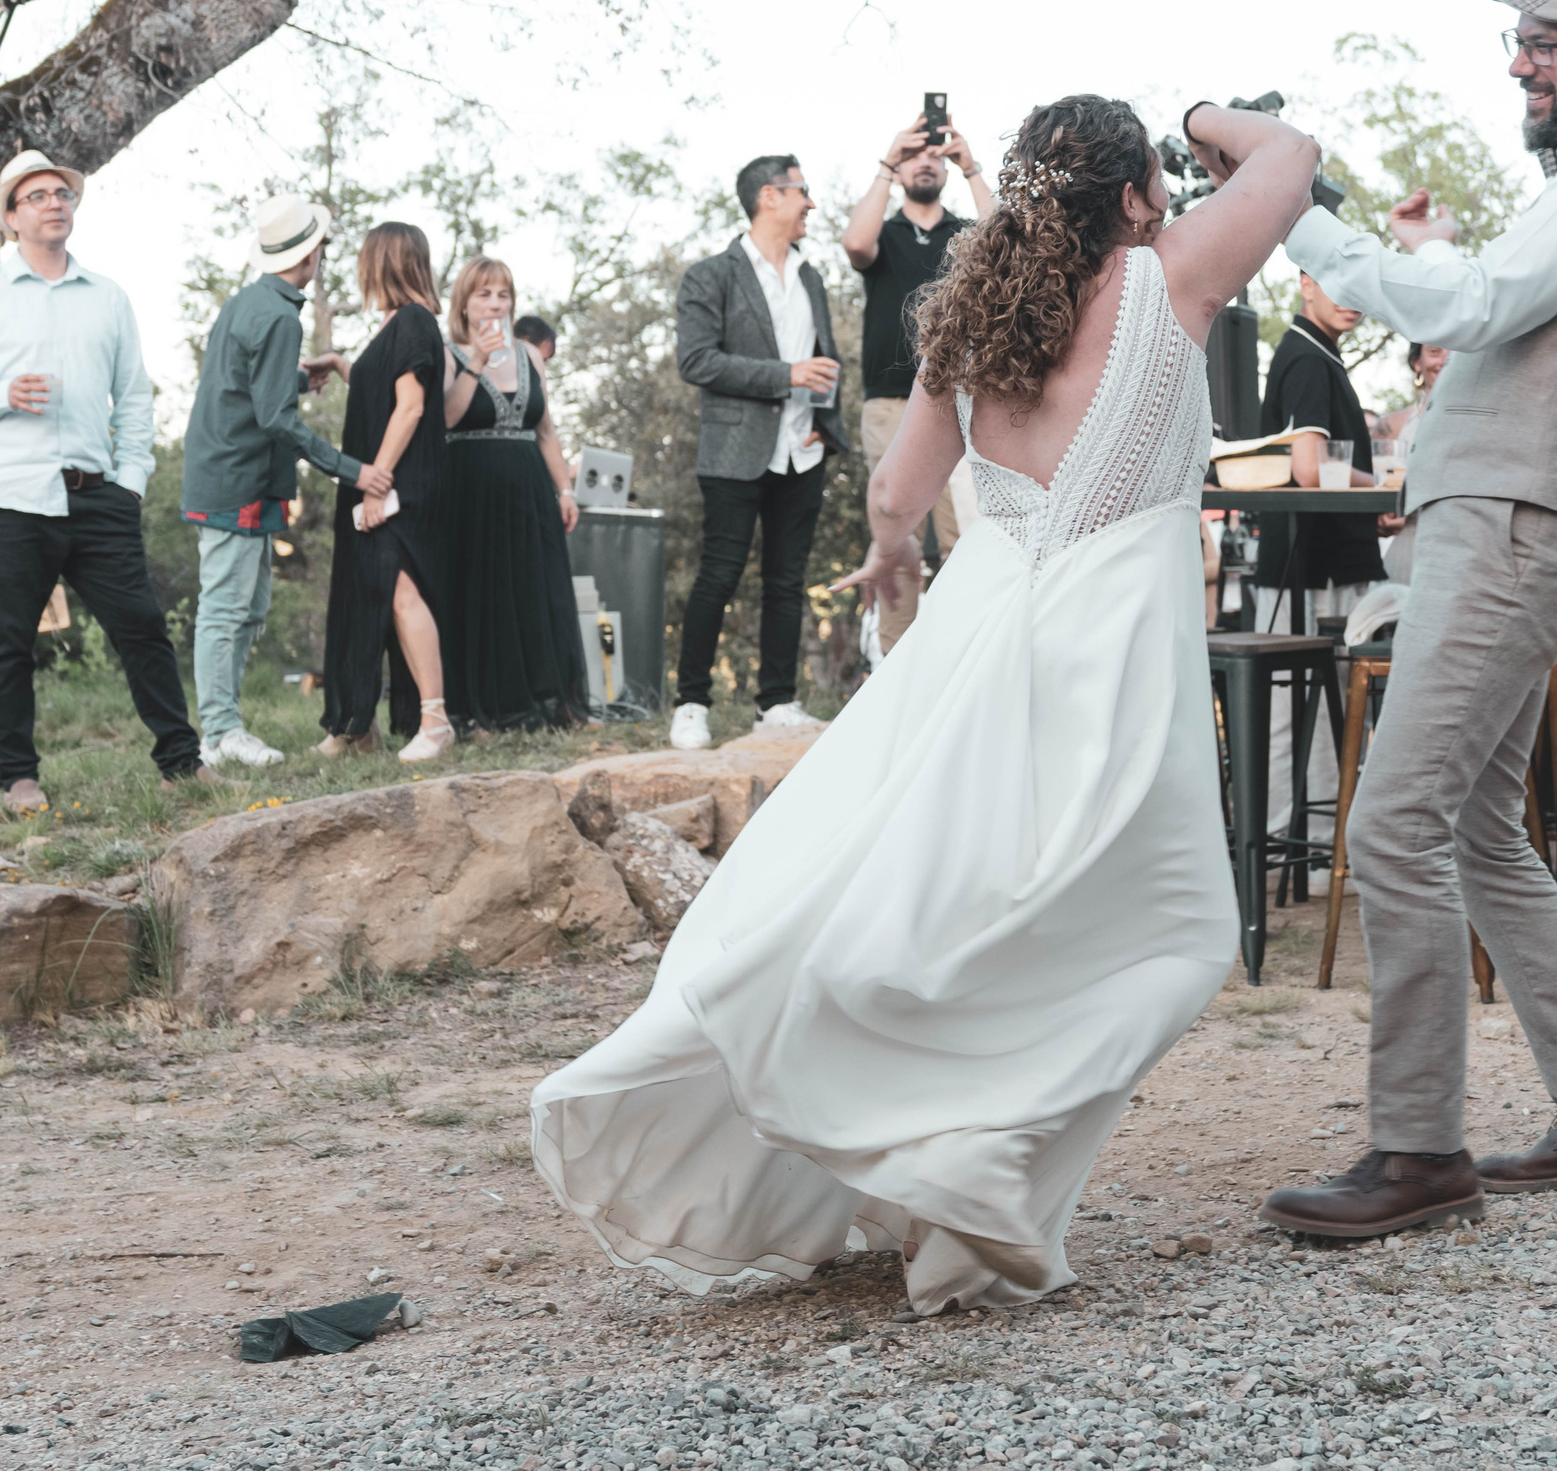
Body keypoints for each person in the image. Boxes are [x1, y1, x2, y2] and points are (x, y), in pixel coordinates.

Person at [531, 94, 1320, 1315]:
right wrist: (1208, 120)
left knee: (958, 897)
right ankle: (970, 1163)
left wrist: (896, 558)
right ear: (1128, 197)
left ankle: (946, 1156)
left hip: (981, 638)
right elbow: (1295, 157)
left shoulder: (971, 318)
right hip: (1110, 649)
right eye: (1153, 181)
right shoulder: (1173, 275)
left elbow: (900, 493)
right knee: (1168, 934)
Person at [1267, 0, 1557, 1235]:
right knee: (1473, 828)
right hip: (1511, 524)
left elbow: (1471, 298)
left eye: (1547, 42)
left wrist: (1292, 204)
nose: (1520, 61)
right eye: (1518, 40)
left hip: (1518, 528)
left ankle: (1414, 1151)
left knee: (1395, 819)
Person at [0, 149, 210, 814]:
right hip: (9, 499)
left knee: (142, 628)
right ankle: (19, 777)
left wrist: (130, 481)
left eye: (63, 194)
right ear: (12, 216)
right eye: (39, 195)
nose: (56, 202)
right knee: (11, 644)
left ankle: (182, 765)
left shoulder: (109, 298)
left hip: (97, 496)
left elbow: (135, 397)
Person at [181, 195, 380, 769]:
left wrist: (295, 376)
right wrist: (354, 470)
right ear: (312, 253)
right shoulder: (277, 316)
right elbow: (275, 419)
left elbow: (246, 386)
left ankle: (222, 728)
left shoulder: (248, 303)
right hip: (235, 478)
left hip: (239, 475)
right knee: (225, 608)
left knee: (251, 607)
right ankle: (219, 733)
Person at [667, 155, 851, 751]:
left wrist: (827, 421)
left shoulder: (812, 277)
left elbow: (826, 359)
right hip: (736, 450)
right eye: (802, 191)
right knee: (718, 575)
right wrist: (786, 374)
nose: (811, 204)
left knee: (788, 582)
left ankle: (776, 702)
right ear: (769, 197)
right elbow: (697, 361)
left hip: (803, 451)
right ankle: (691, 703)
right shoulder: (710, 276)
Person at [844, 112, 996, 653]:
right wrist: (888, 160)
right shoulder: (882, 234)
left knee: (966, 540)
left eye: (935, 155)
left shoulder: (965, 233)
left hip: (961, 402)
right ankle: (893, 669)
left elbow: (1013, 244)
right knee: (897, 539)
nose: (925, 162)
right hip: (889, 403)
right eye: (915, 156)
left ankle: (958, 670)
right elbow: (854, 245)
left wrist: (973, 165)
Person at [1253, 273, 1387, 848]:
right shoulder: (1307, 358)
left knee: (1326, 715)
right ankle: (1291, 844)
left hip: (1325, 562)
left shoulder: (1318, 353)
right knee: (1295, 713)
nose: (1352, 296)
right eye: (1337, 282)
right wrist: (1383, 482)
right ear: (1306, 283)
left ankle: (1317, 849)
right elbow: (1311, 470)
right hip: (1308, 571)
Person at [319, 223, 454, 763]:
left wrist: (377, 481)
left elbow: (412, 407)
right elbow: (383, 388)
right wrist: (337, 365)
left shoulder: (416, 321)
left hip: (404, 482)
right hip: (388, 479)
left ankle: (436, 722)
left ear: (384, 263)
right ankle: (357, 726)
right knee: (370, 594)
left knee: (401, 593)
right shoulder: (397, 325)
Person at [438, 256, 587, 731]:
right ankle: (481, 708)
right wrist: (477, 360)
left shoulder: (530, 356)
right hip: (471, 488)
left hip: (529, 486)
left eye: (503, 294)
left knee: (538, 589)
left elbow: (546, 430)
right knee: (482, 594)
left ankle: (549, 702)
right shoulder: (447, 353)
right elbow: (447, 418)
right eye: (484, 294)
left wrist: (564, 488)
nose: (495, 303)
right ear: (464, 302)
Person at [1373, 338, 1447, 445]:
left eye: (1455, 354)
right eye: (1434, 352)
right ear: (1416, 362)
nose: (1445, 361)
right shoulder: (1393, 425)